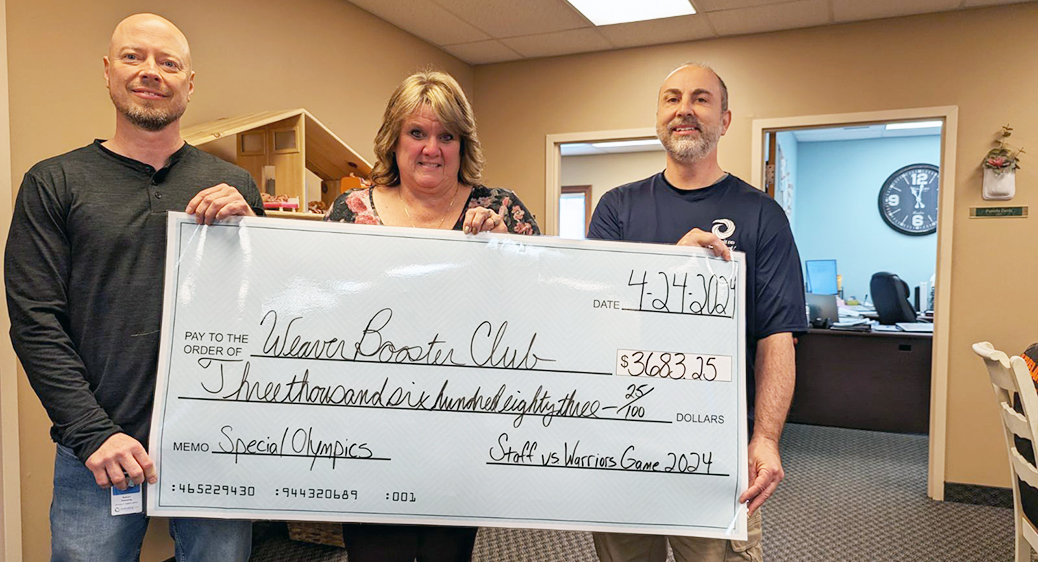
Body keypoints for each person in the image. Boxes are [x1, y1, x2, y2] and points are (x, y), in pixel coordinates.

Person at [5, 13, 263, 561]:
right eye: (133, 57)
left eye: (168, 63)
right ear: (107, 71)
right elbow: (35, 321)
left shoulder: (234, 186)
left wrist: (257, 237)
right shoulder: (54, 183)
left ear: (189, 84)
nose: (151, 72)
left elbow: (265, 316)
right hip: (99, 450)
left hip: (215, 443)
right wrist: (91, 431)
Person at [587, 63, 807, 562]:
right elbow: (597, 322)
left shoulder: (761, 214)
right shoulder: (617, 209)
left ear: (725, 120)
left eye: (701, 99)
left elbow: (778, 336)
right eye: (672, 98)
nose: (684, 109)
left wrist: (766, 439)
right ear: (659, 116)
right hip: (622, 440)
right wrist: (673, 265)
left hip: (716, 449)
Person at [325, 70, 539, 561]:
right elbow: (317, 308)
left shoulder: (500, 210)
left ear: (463, 145)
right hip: (370, 431)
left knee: (448, 554)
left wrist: (509, 255)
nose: (431, 148)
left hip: (462, 435)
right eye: (417, 133)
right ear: (393, 140)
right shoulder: (349, 213)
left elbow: (539, 314)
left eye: (447, 136)